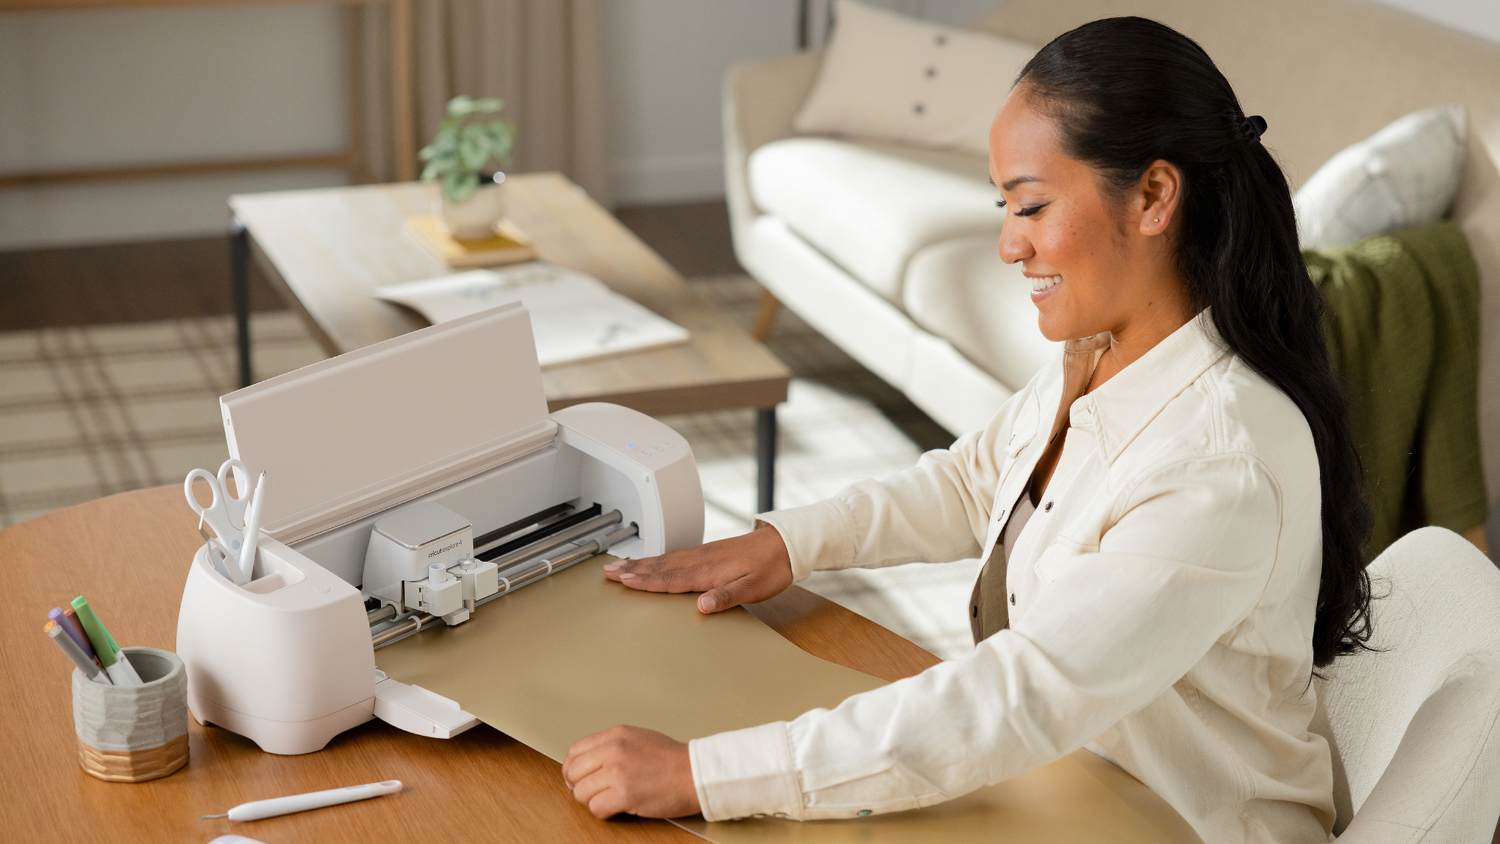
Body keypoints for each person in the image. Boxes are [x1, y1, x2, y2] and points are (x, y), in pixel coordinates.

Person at [561, 16, 1373, 842]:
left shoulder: (1219, 461)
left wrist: (702, 774)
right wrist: (787, 545)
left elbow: (1020, 697)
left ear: (1154, 197)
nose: (1009, 245)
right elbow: (974, 480)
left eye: (1032, 205)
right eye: (1004, 206)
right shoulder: (1106, 352)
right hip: (1074, 784)